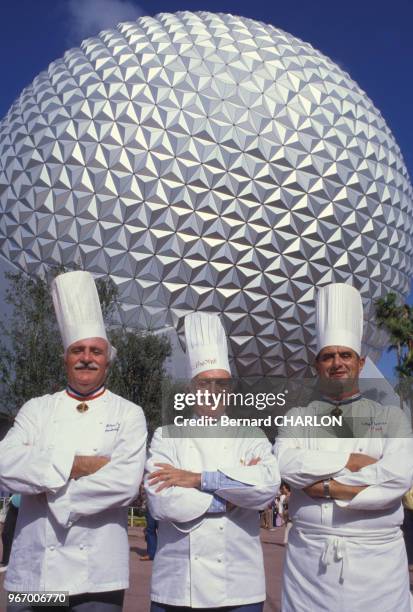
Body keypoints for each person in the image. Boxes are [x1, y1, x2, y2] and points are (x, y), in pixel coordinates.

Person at [0, 270, 147, 612]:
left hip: (97, 577)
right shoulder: (37, 409)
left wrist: (45, 479)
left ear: (107, 361)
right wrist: (78, 465)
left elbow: (125, 483)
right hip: (35, 573)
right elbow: (5, 463)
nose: (86, 357)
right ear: (65, 357)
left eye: (96, 351)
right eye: (77, 350)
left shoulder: (129, 414)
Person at [274, 283, 413, 611]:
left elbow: (397, 477)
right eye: (328, 356)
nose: (337, 362)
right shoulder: (297, 417)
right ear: (316, 364)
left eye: (345, 355)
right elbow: (285, 463)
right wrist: (351, 461)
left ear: (361, 363)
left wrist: (323, 485)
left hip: (377, 569)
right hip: (308, 571)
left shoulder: (391, 417)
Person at [145, 312, 280, 611]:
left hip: (239, 586)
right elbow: (161, 502)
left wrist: (197, 480)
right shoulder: (166, 435)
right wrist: (233, 496)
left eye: (221, 385)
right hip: (178, 585)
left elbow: (267, 487)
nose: (213, 392)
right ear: (192, 388)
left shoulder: (251, 434)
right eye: (205, 384)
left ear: (230, 390)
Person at [0, 494, 20, 572]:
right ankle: (6, 561)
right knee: (6, 533)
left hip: (26, 506)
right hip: (13, 503)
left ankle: (10, 561)